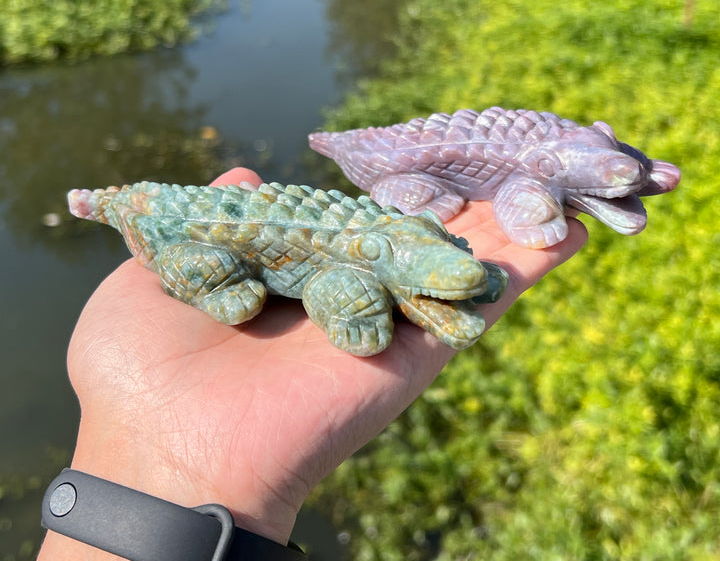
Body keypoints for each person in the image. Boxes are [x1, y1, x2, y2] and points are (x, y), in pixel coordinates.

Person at [38, 167, 587, 560]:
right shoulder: (348, 270)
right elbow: (334, 286)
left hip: (357, 235)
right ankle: (200, 273)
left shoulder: (411, 231)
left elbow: (444, 259)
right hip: (188, 238)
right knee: (233, 288)